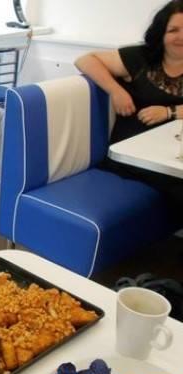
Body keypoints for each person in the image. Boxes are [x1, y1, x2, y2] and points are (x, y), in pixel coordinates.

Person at [75, 0, 183, 216]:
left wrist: (169, 112)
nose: (181, 37)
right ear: (161, 32)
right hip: (135, 157)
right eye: (173, 30)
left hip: (172, 155)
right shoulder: (140, 58)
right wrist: (116, 90)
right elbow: (85, 60)